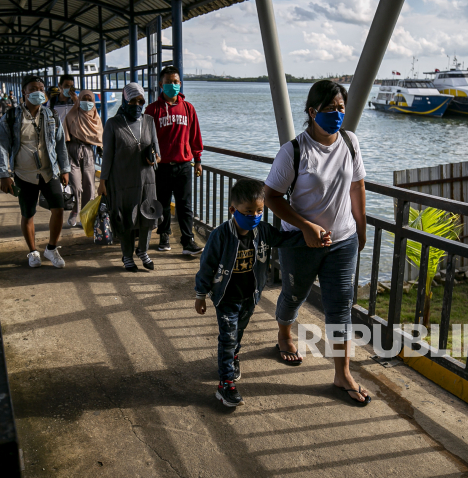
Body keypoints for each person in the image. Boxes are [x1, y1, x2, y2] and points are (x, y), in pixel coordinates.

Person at [263, 80, 371, 405]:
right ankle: (284, 333)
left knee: (340, 307)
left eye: (341, 108)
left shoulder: (350, 142)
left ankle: (342, 373)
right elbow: (271, 196)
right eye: (330, 109)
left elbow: (357, 186)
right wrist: (306, 226)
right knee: (294, 295)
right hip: (301, 242)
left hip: (342, 242)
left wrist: (360, 228)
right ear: (312, 112)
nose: (337, 114)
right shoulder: (294, 151)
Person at [195, 179, 330, 407]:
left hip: (250, 296)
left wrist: (312, 236)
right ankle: (226, 384)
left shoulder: (263, 231)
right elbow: (206, 266)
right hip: (226, 297)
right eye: (248, 212)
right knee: (227, 337)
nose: (255, 216)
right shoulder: (221, 236)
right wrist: (200, 294)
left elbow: (284, 239)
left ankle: (233, 356)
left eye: (259, 211)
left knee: (237, 333)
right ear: (233, 210)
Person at [0, 75, 71, 269]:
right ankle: (33, 251)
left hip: (49, 171)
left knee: (58, 209)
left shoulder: (51, 115)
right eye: (33, 89)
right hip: (24, 173)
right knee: (28, 213)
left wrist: (65, 169)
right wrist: (4, 174)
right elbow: (2, 146)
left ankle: (51, 249)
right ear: (24, 92)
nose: (38, 92)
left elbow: (60, 144)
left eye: (41, 88)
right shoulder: (11, 117)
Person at [98, 83, 160, 272]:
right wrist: (102, 181)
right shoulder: (113, 124)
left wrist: (154, 158)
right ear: (125, 101)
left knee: (148, 215)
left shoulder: (149, 121)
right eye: (132, 101)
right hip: (122, 181)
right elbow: (107, 156)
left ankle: (143, 251)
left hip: (147, 180)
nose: (137, 105)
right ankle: (127, 255)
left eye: (140, 101)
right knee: (126, 218)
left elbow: (158, 151)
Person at [145, 66, 204, 255]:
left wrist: (198, 159)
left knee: (185, 205)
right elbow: (145, 138)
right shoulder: (152, 110)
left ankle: (188, 241)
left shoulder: (188, 108)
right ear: (161, 84)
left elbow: (195, 136)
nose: (173, 85)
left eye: (176, 81)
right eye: (169, 82)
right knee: (162, 204)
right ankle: (164, 235)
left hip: (184, 165)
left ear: (180, 83)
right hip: (161, 166)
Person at [64, 89, 103, 227]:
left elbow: (99, 136)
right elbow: (65, 133)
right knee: (75, 185)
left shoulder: (96, 118)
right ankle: (75, 210)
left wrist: (101, 147)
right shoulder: (72, 114)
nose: (87, 102)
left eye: (89, 100)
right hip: (71, 150)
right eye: (84, 99)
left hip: (88, 152)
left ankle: (86, 216)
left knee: (89, 185)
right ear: (79, 100)